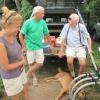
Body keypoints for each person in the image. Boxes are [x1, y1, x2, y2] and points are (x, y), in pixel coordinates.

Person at [0, 6, 29, 100]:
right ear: (7, 26)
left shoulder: (12, 34)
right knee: (16, 98)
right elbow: (6, 67)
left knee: (25, 91)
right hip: (11, 77)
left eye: (20, 26)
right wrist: (22, 62)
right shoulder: (1, 43)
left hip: (20, 71)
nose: (19, 29)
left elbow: (17, 49)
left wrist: (21, 58)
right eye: (17, 26)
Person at [19, 6, 51, 86]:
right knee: (31, 63)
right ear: (36, 14)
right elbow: (20, 35)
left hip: (39, 46)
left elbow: (46, 34)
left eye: (43, 13)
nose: (43, 15)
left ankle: (27, 73)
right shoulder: (28, 22)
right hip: (29, 46)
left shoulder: (43, 22)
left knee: (40, 63)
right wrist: (23, 46)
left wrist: (49, 44)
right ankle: (34, 78)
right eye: (41, 14)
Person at [58, 13, 92, 78]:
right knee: (69, 61)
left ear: (76, 22)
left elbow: (88, 38)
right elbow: (63, 38)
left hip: (81, 48)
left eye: (71, 22)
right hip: (70, 47)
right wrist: (61, 50)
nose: (69, 23)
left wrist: (89, 48)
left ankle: (79, 76)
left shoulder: (81, 27)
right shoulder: (66, 26)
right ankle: (72, 73)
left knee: (83, 64)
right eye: (69, 21)